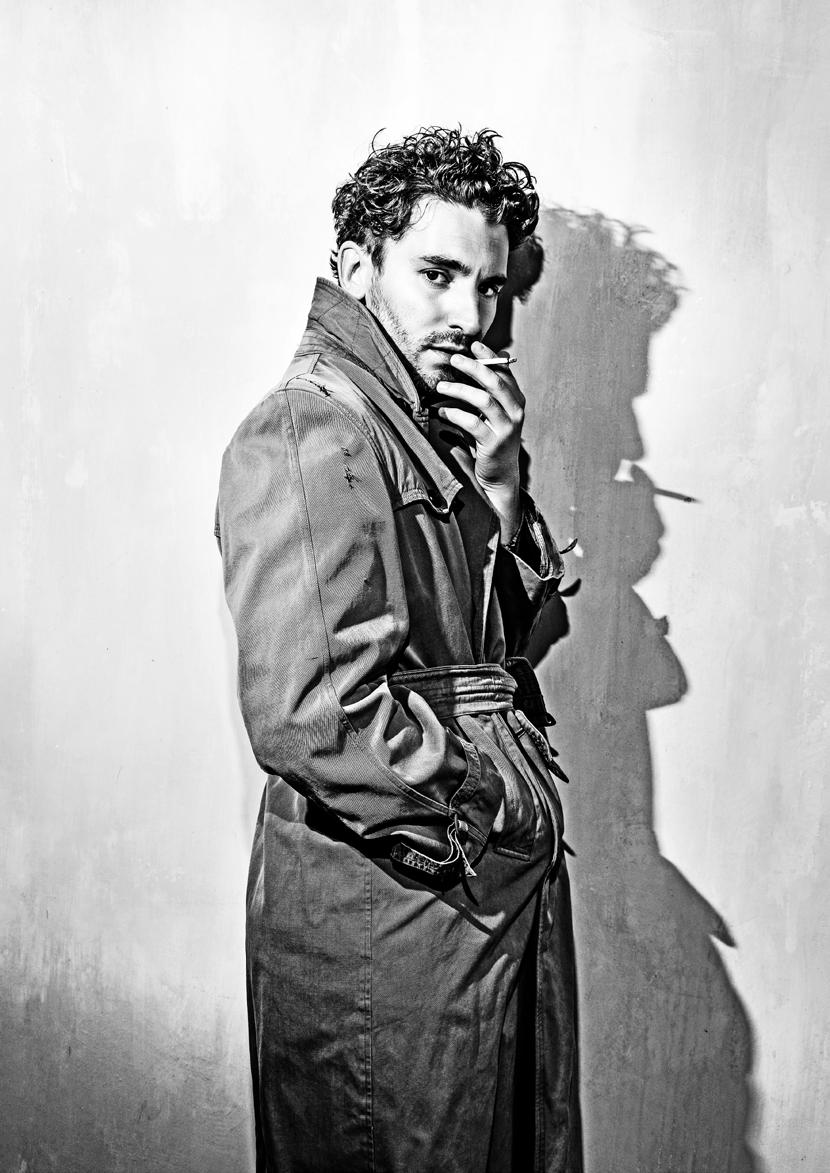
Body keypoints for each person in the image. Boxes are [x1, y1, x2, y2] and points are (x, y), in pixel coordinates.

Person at [216, 126, 581, 1173]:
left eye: (490, 286)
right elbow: (314, 712)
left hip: (451, 915)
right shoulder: (311, 428)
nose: (470, 317)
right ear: (354, 266)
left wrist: (500, 487)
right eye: (436, 274)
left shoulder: (419, 427)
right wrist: (489, 810)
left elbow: (493, 655)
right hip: (391, 922)